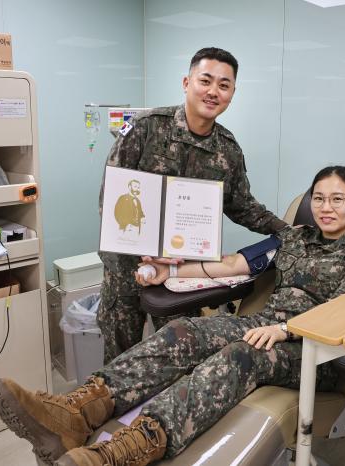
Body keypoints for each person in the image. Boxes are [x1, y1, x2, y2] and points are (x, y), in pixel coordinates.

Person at [0, 166, 345, 466]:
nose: (325, 207)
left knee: (240, 355)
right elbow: (235, 263)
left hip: (315, 351)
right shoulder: (294, 238)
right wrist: (173, 271)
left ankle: (128, 450)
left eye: (338, 199)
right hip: (263, 326)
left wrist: (284, 330)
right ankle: (76, 413)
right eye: (318, 197)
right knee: (184, 331)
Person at [98, 47, 287, 362]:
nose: (214, 91)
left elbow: (243, 206)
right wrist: (138, 246)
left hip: (180, 269)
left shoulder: (228, 150)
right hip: (125, 266)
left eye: (224, 85)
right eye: (206, 81)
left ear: (232, 93)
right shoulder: (144, 128)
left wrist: (287, 229)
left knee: (175, 354)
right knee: (119, 356)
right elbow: (112, 198)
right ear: (187, 82)